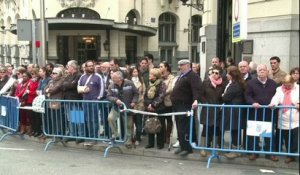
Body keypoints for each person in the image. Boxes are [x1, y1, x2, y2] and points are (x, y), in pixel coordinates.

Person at [245, 64, 278, 161]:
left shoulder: (273, 83)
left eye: (264, 70)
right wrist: (253, 102)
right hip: (256, 112)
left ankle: (270, 153)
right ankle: (254, 152)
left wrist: (273, 103)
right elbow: (247, 95)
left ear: (267, 72)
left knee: (269, 134)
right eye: (260, 70)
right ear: (257, 72)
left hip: (268, 112)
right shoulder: (251, 83)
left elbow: (277, 96)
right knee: (254, 133)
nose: (262, 71)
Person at [171, 59, 201, 156]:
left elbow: (196, 89)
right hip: (177, 105)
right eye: (179, 65)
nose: (180, 67)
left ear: (188, 65)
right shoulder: (182, 75)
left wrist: (196, 100)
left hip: (184, 105)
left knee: (185, 128)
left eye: (182, 65)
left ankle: (187, 148)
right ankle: (182, 146)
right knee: (179, 127)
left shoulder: (193, 76)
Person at [269, 75, 299, 164]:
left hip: (295, 118)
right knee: (287, 138)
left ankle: (292, 155)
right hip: (283, 118)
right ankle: (289, 155)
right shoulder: (279, 89)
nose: (287, 87)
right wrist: (272, 104)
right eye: (285, 85)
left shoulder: (298, 88)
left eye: (289, 85)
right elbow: (276, 98)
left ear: (293, 83)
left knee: (295, 139)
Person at [107, 71, 139, 148]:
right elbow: (108, 96)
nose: (112, 79)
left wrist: (134, 102)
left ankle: (128, 141)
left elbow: (136, 93)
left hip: (128, 108)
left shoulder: (129, 83)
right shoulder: (111, 85)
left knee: (128, 125)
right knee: (110, 118)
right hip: (116, 108)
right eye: (112, 77)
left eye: (114, 78)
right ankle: (115, 134)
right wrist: (115, 100)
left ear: (120, 78)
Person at [199, 65, 225, 157]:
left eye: (216, 73)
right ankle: (203, 148)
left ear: (220, 75)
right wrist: (205, 102)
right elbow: (200, 95)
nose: (214, 74)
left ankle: (214, 148)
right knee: (206, 129)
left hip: (218, 110)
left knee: (216, 129)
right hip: (208, 109)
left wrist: (222, 103)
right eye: (213, 72)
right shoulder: (206, 82)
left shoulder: (223, 84)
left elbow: (224, 96)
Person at [222, 66, 246, 159]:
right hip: (235, 110)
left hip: (234, 111)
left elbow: (226, 97)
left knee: (235, 130)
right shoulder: (237, 83)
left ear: (232, 75)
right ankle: (235, 149)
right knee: (235, 130)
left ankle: (236, 150)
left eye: (228, 73)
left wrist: (223, 95)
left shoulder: (235, 85)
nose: (226, 75)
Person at [78, 60, 104, 146]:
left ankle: (94, 138)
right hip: (85, 101)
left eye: (92, 65)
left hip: (94, 101)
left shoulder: (98, 76)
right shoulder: (82, 77)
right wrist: (83, 90)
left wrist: (98, 98)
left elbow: (102, 88)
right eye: (89, 66)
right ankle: (89, 137)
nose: (91, 67)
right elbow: (78, 88)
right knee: (87, 120)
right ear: (85, 68)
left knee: (94, 120)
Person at [144, 68, 166, 149]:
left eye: (151, 74)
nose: (149, 76)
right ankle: (151, 143)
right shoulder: (148, 84)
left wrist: (153, 105)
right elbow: (145, 96)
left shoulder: (162, 84)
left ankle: (160, 144)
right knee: (150, 125)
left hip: (159, 108)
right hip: (149, 108)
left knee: (159, 126)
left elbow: (161, 96)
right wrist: (148, 104)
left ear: (155, 76)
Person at [62, 60, 83, 143]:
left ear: (72, 67)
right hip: (68, 99)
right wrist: (68, 84)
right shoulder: (68, 76)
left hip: (75, 99)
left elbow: (73, 85)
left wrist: (68, 84)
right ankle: (72, 134)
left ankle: (81, 135)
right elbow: (63, 85)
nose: (67, 68)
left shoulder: (78, 75)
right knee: (70, 119)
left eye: (68, 66)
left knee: (77, 118)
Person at [44, 68, 65, 136]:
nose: (52, 74)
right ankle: (55, 133)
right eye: (52, 73)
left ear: (60, 74)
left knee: (59, 118)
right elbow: (44, 89)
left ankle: (60, 133)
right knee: (53, 118)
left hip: (58, 101)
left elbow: (55, 89)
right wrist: (47, 90)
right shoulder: (51, 81)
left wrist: (48, 90)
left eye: (55, 73)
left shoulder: (61, 80)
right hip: (51, 101)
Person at [159, 61, 175, 144]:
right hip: (160, 102)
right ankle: (163, 136)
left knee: (169, 119)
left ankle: (168, 136)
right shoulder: (159, 77)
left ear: (166, 67)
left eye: (161, 66)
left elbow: (171, 88)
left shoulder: (171, 77)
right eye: (159, 66)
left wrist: (162, 93)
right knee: (161, 120)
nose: (160, 68)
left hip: (168, 101)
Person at [129, 66, 145, 146]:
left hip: (139, 106)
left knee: (139, 123)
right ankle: (131, 138)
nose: (135, 73)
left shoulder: (141, 81)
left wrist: (137, 101)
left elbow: (143, 94)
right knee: (131, 124)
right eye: (134, 72)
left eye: (136, 72)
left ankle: (138, 138)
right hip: (131, 106)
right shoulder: (128, 81)